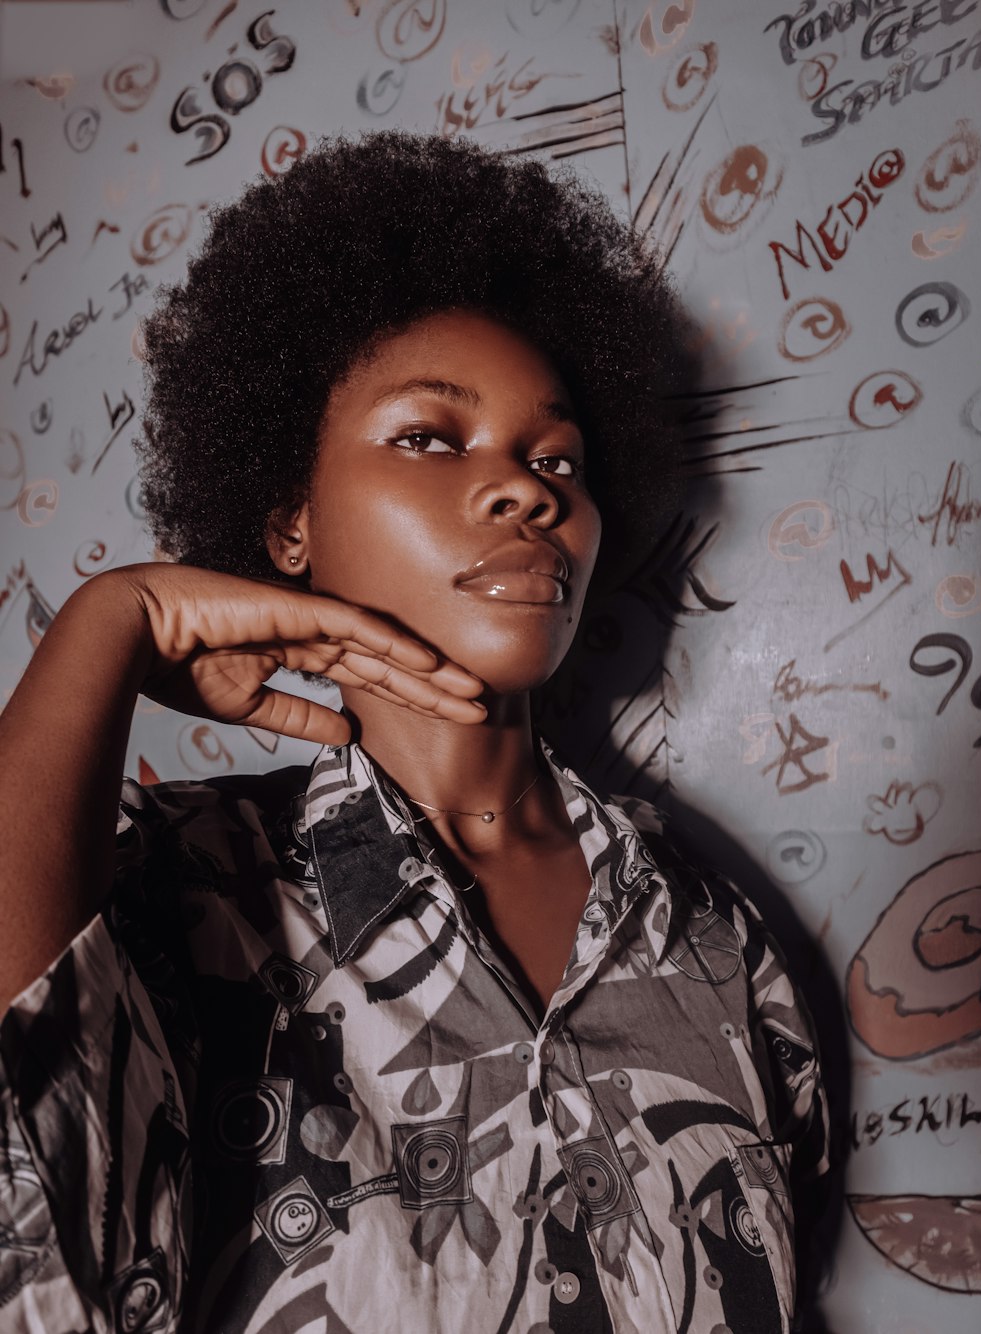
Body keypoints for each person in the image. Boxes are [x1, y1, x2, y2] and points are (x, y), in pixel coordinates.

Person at [0, 131, 828, 1334]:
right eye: (432, 438)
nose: (527, 489)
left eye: (557, 459)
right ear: (288, 524)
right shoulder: (175, 887)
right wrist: (110, 623)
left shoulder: (721, 935)